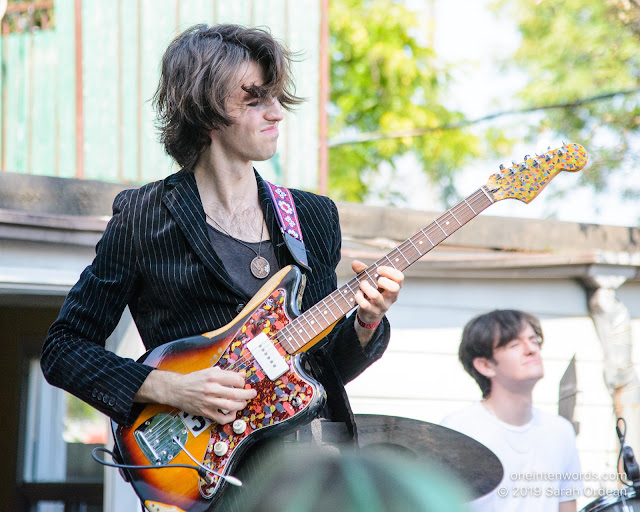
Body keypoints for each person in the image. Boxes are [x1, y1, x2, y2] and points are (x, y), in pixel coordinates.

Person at [40, 23, 404, 509]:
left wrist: (366, 320)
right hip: (203, 479)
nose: (276, 113)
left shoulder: (313, 218)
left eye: (275, 97)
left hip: (308, 479)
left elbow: (322, 368)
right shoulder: (146, 217)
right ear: (206, 110)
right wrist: (172, 387)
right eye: (254, 100)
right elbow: (64, 349)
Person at [441, 310, 582, 512]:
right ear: (485, 365)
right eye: (514, 344)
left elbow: (567, 507)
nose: (531, 349)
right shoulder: (457, 428)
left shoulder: (561, 430)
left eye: (533, 340)